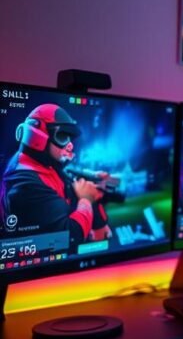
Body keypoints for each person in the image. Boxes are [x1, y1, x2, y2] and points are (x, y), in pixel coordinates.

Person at [0, 105, 107, 246]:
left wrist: (92, 177)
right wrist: (86, 199)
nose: (70, 145)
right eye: (62, 136)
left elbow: (67, 174)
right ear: (37, 137)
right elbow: (71, 237)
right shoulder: (25, 185)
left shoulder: (44, 163)